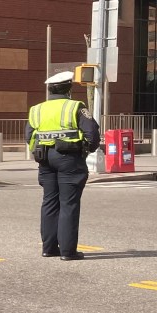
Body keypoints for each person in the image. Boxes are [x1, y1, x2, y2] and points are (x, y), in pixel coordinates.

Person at [25, 71, 101, 261]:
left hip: (44, 158)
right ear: (69, 89)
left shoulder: (36, 109)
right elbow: (92, 134)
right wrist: (85, 151)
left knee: (49, 202)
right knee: (68, 204)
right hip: (69, 158)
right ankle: (68, 251)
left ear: (50, 89)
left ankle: (49, 248)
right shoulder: (76, 106)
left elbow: (29, 136)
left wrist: (39, 151)